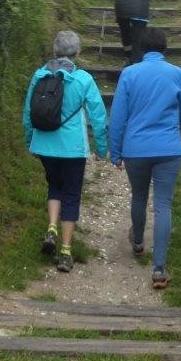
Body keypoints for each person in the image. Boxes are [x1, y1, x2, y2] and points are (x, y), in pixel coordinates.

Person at [108, 27, 181, 289]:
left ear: (140, 49)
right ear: (164, 48)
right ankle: (159, 269)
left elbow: (118, 116)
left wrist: (116, 150)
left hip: (136, 148)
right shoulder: (177, 74)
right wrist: (172, 127)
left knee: (139, 196)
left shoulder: (129, 74)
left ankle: (138, 242)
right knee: (163, 205)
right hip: (169, 148)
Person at [23, 30, 109, 272]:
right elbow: (99, 117)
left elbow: (28, 113)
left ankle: (51, 227)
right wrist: (101, 149)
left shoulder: (39, 75)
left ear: (55, 51)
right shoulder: (83, 79)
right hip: (73, 148)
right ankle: (66, 252)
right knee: (71, 193)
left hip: (44, 146)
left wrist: (30, 140)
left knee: (54, 186)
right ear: (77, 52)